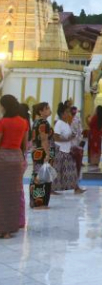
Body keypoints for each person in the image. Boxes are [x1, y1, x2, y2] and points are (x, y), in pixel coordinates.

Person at [0, 95, 28, 239]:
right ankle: (11, 227)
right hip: (17, 158)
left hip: (3, 159)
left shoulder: (3, 122)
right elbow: (24, 144)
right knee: (13, 194)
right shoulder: (23, 122)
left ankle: (2, 229)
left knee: (2, 194)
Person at [52, 103, 84, 194]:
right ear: (62, 114)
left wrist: (71, 137)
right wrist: (67, 139)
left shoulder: (65, 124)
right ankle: (52, 189)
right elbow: (56, 137)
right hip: (60, 151)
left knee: (71, 170)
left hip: (66, 150)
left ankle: (76, 188)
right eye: (66, 112)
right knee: (57, 171)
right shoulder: (59, 124)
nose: (69, 114)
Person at [29, 102, 54, 209]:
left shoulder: (36, 122)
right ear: (41, 111)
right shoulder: (43, 122)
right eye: (46, 108)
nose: (49, 110)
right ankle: (40, 203)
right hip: (42, 153)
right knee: (42, 177)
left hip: (36, 152)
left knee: (37, 175)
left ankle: (34, 201)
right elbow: (44, 139)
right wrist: (48, 154)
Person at [18, 103, 31, 229]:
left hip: (17, 157)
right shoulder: (26, 123)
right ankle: (21, 219)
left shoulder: (20, 123)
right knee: (19, 189)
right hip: (22, 157)